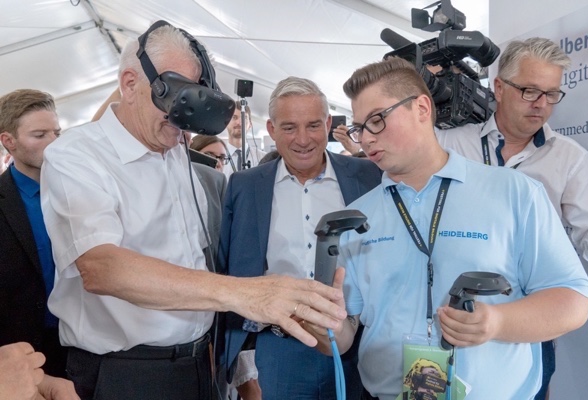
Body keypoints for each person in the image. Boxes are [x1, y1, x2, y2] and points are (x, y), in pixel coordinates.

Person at [40, 22, 347, 400]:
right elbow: (101, 267)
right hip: (126, 374)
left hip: (198, 368)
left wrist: (234, 364)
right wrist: (246, 294)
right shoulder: (76, 155)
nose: (184, 114)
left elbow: (200, 262)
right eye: (176, 93)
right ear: (130, 84)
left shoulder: (177, 155)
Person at [310, 57, 588, 400]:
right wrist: (327, 327)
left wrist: (497, 322)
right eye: (359, 128)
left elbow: (572, 301)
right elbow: (344, 336)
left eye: (377, 120)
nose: (366, 138)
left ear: (421, 108)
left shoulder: (514, 193)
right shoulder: (356, 218)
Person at [435, 37, 588, 399]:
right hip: (449, 315)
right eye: (530, 91)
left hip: (529, 322)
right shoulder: (448, 145)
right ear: (499, 87)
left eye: (551, 94)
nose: (541, 104)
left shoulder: (570, 158)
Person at [219, 76, 381, 400]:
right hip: (279, 351)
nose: (303, 139)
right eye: (290, 127)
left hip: (358, 344)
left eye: (313, 125)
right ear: (271, 129)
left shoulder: (368, 176)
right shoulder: (244, 186)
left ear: (328, 124)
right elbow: (229, 267)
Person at [0, 89, 69, 378]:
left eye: (57, 133)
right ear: (9, 141)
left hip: (86, 342)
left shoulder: (79, 190)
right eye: (39, 135)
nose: (53, 143)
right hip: (22, 350)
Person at [221, 101, 266, 178]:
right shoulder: (218, 158)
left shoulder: (262, 158)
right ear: (226, 123)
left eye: (244, 118)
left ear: (250, 124)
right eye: (234, 117)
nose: (239, 122)